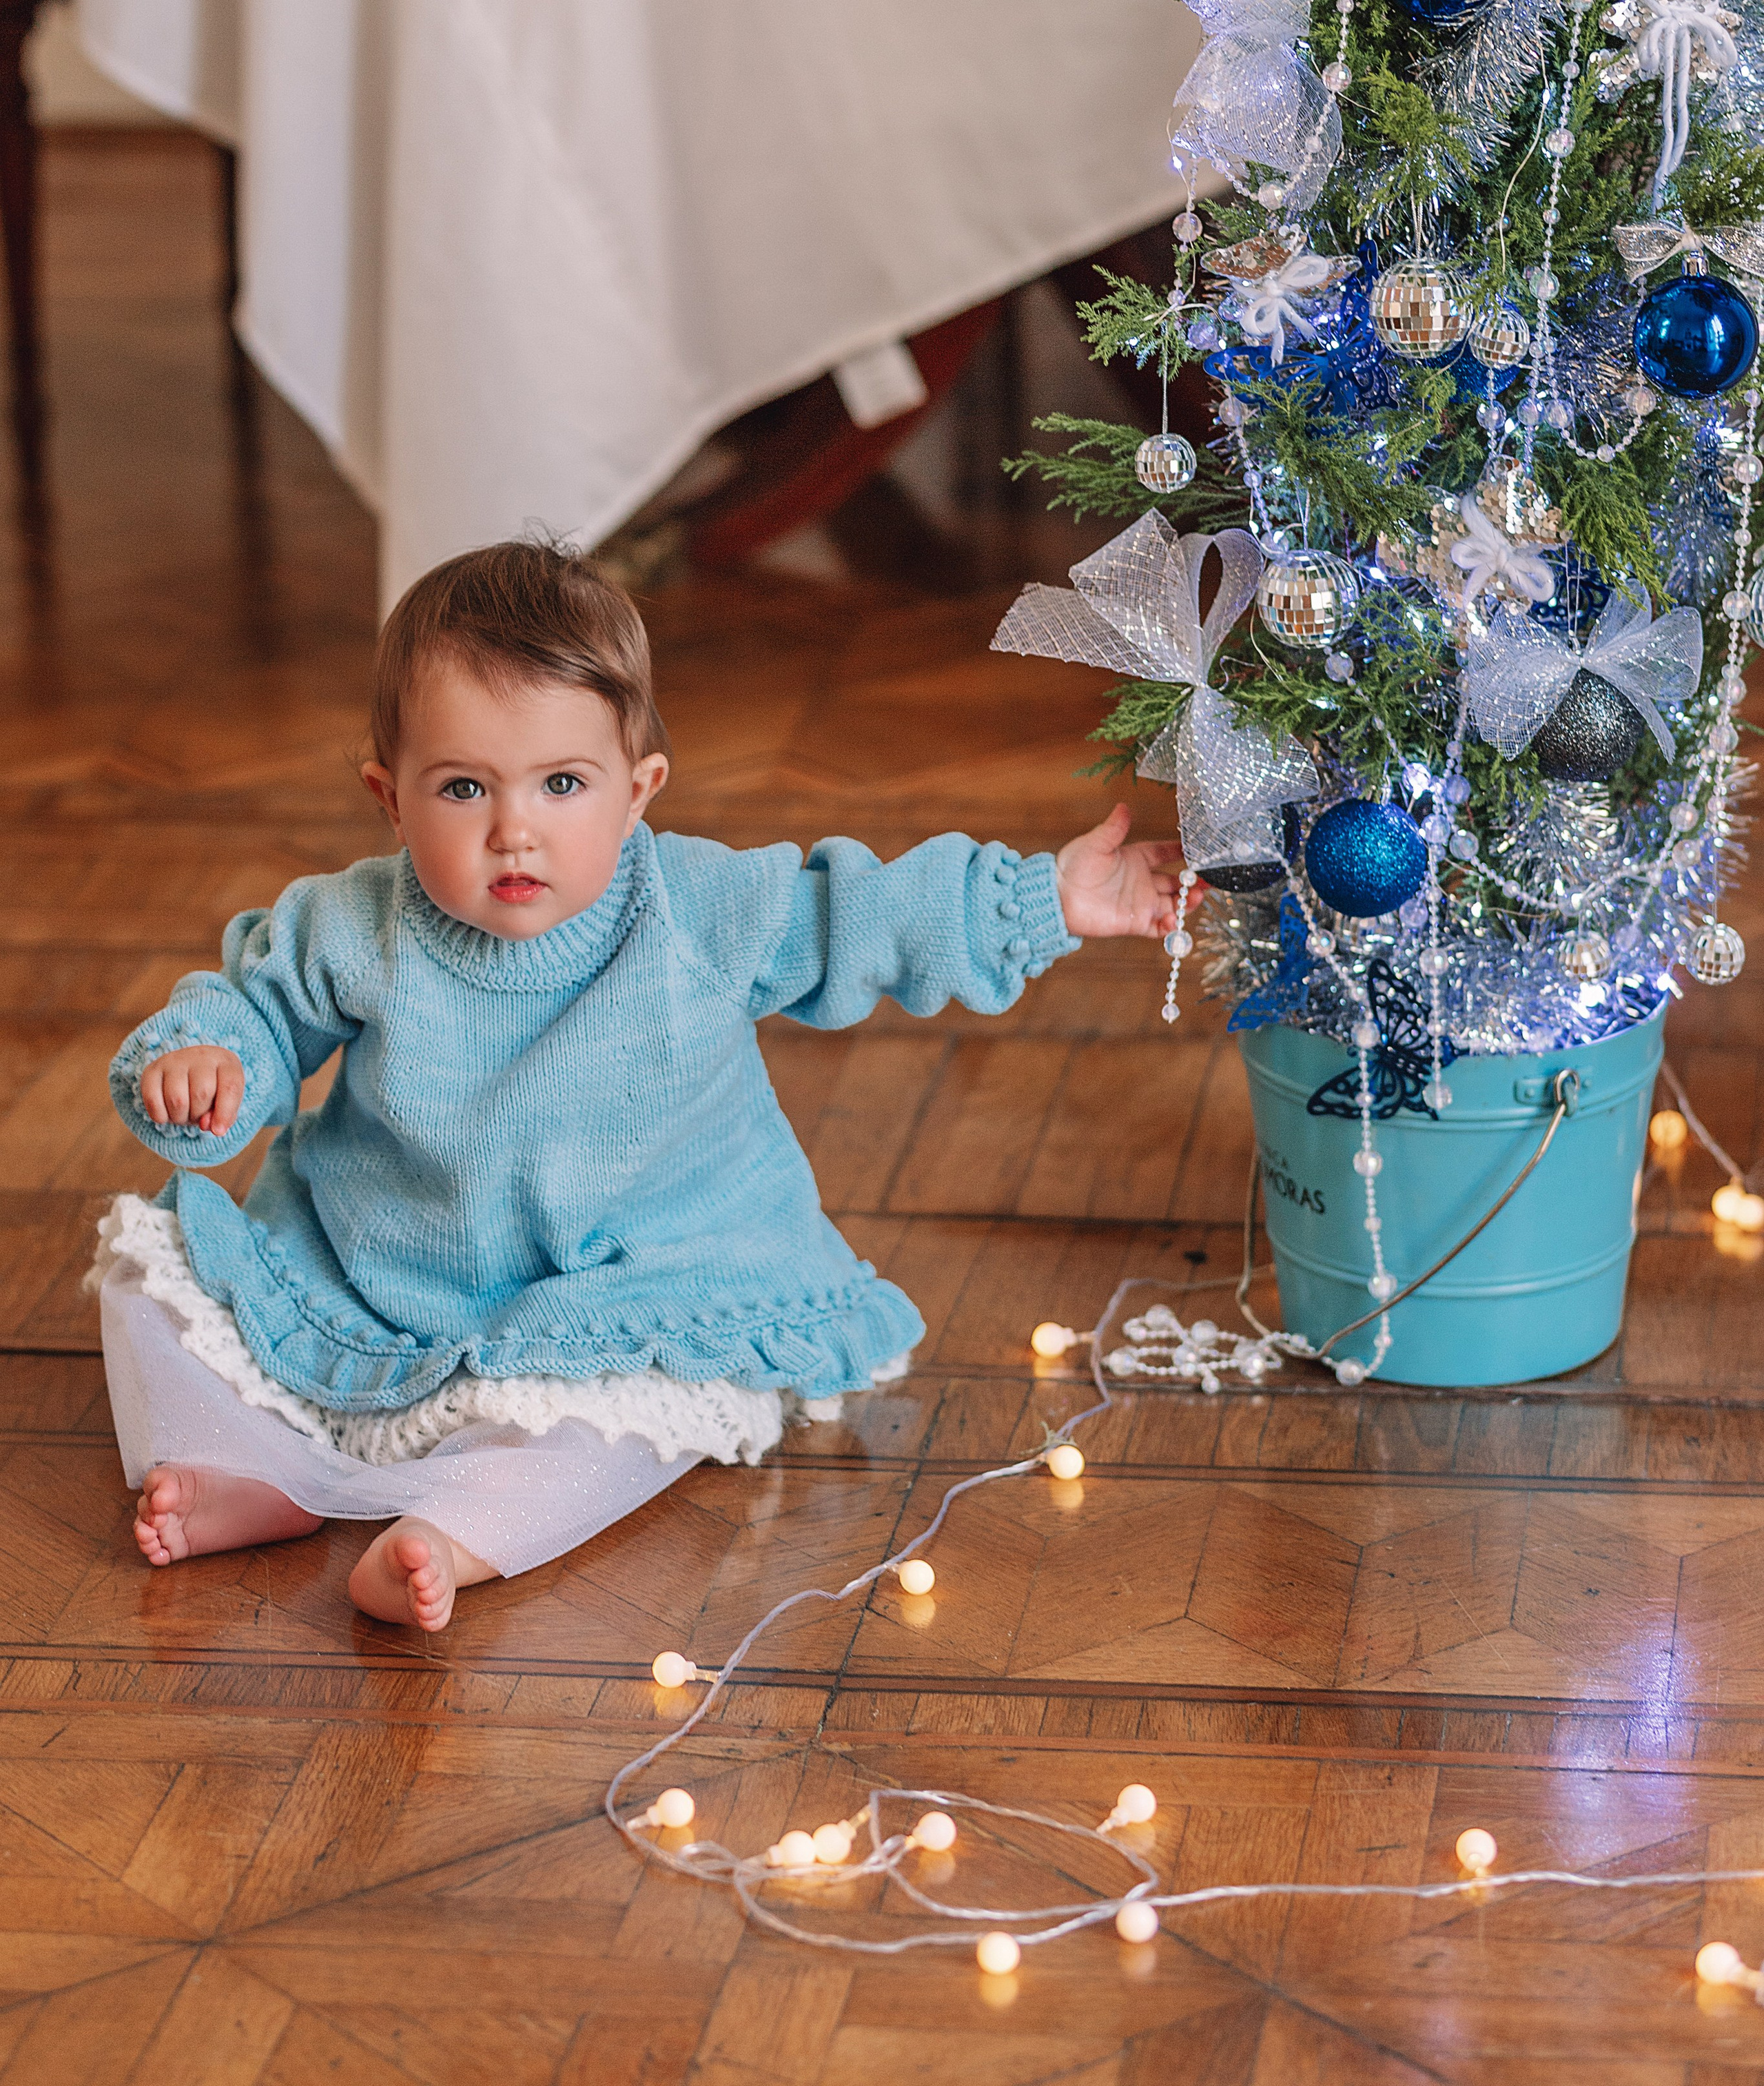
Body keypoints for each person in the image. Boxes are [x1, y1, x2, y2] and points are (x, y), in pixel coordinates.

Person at [96, 539, 1184, 1630]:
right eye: (463, 786)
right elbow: (257, 1005)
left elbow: (861, 917)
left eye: (563, 783)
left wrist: (1048, 898)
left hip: (631, 1289)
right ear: (389, 797)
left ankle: (462, 1532)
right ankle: (248, 1471)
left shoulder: (692, 908)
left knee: (629, 1424)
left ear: (638, 789)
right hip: (377, 1278)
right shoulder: (351, 925)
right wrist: (216, 1059)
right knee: (145, 1271)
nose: (514, 827)